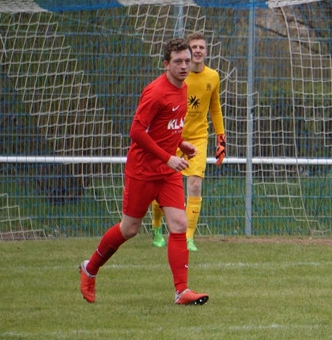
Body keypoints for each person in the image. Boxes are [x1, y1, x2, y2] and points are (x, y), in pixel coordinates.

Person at [79, 37, 210, 305]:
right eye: (178, 61)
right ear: (166, 64)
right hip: (143, 171)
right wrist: (167, 157)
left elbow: (166, 126)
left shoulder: (183, 88)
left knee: (179, 224)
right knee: (129, 229)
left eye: (187, 61)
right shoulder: (156, 92)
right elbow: (137, 132)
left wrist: (180, 144)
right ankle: (89, 269)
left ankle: (182, 291)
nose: (184, 66)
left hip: (167, 171)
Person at [150, 32, 226, 252]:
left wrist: (221, 139)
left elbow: (215, 108)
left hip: (199, 137)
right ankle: (156, 227)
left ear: (206, 51)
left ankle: (188, 237)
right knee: (161, 185)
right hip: (174, 136)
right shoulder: (178, 75)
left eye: (202, 47)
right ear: (188, 52)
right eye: (194, 47)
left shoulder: (213, 77)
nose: (198, 50)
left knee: (194, 185)